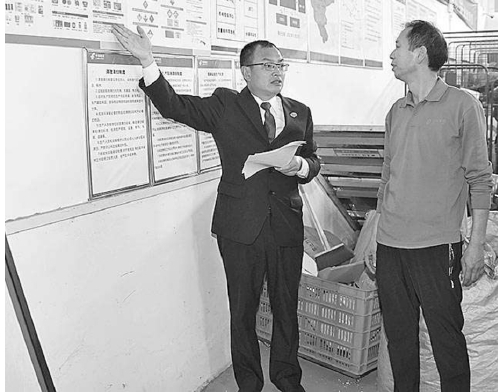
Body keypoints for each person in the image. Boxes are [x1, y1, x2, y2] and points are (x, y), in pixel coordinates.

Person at [111, 24, 321, 392]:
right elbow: (175, 107)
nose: (277, 72)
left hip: (285, 225)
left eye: (281, 65)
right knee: (243, 311)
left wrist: (300, 166)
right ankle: (249, 384)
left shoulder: (299, 111)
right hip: (240, 226)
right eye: (268, 65)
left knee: (287, 308)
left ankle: (288, 380)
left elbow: (313, 160)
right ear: (246, 72)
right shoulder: (226, 105)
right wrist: (147, 61)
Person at [366, 20, 493, 392]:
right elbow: (387, 177)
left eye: (398, 46)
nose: (392, 54)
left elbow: (480, 179)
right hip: (391, 245)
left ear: (419, 54)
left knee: (446, 340)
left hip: (437, 246)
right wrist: (374, 236)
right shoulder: (396, 111)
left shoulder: (462, 105)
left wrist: (475, 246)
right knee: (400, 340)